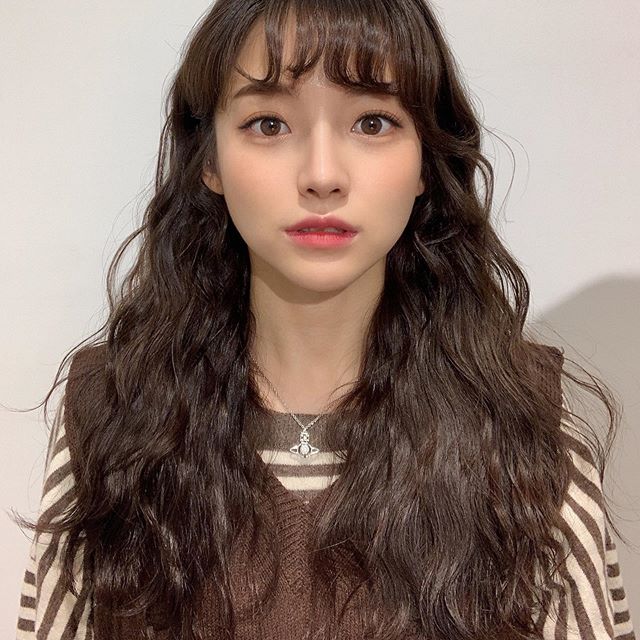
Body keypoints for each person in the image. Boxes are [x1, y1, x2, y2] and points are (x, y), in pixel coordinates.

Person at [13, 1, 636, 639]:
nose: (321, 176)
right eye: (268, 123)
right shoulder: (112, 418)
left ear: (426, 159)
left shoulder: (526, 425)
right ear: (210, 160)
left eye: (372, 122)